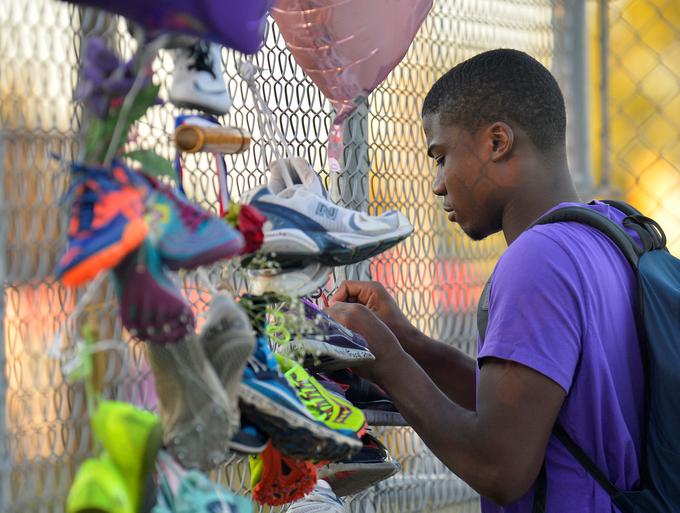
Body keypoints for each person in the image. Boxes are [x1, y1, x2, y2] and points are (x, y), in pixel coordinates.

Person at [325, 49, 643, 513]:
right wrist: (411, 343)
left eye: (441, 155)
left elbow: (500, 467)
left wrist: (386, 362)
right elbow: (533, 409)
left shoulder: (537, 260)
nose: (437, 184)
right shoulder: (609, 234)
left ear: (497, 142)